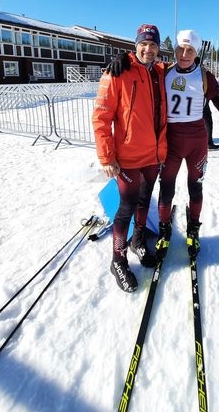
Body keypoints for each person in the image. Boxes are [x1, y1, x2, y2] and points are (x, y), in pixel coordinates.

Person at [92, 24, 167, 293]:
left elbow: (187, 67)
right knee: (125, 208)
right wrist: (106, 156)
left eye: (154, 45)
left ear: (159, 49)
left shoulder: (160, 72)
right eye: (143, 44)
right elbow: (101, 118)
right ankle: (118, 259)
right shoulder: (117, 72)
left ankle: (138, 242)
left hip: (153, 156)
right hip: (127, 158)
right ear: (135, 46)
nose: (148, 49)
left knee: (144, 201)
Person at [155, 29, 219, 260]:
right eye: (181, 48)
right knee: (166, 186)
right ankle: (164, 228)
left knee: (195, 186)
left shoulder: (205, 76)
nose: (184, 54)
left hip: (196, 140)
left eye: (190, 50)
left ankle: (193, 228)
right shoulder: (164, 72)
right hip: (170, 139)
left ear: (196, 52)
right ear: (175, 50)